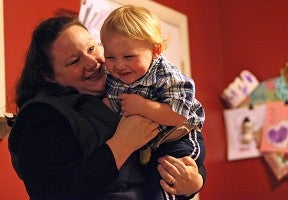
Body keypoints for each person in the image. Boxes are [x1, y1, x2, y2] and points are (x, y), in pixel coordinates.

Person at [8, 15, 206, 199]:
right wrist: (121, 145)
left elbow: (178, 142)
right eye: (74, 61)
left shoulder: (125, 86)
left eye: (92, 48)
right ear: (49, 76)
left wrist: (195, 181)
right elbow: (51, 192)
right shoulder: (40, 114)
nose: (92, 62)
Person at [100, 5, 205, 199]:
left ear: (155, 50)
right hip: (149, 147)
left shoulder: (167, 76)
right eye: (110, 57)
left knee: (163, 185)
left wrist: (142, 107)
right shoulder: (112, 76)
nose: (119, 65)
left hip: (179, 138)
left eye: (129, 56)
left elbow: (178, 115)